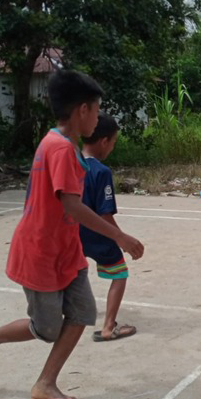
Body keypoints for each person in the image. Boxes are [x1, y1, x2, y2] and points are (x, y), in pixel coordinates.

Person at [0, 70, 144, 399]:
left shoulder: (65, 146)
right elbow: (72, 206)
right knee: (46, 328)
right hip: (41, 252)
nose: (97, 117)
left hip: (66, 251)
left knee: (82, 313)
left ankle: (44, 385)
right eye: (96, 109)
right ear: (82, 110)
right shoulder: (59, 148)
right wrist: (119, 236)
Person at [80, 112, 136, 342]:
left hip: (72, 233)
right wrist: (121, 238)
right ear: (104, 141)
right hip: (97, 234)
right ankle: (108, 327)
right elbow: (104, 214)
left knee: (74, 274)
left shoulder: (71, 162)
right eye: (113, 143)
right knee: (120, 273)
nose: (112, 148)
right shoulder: (101, 172)